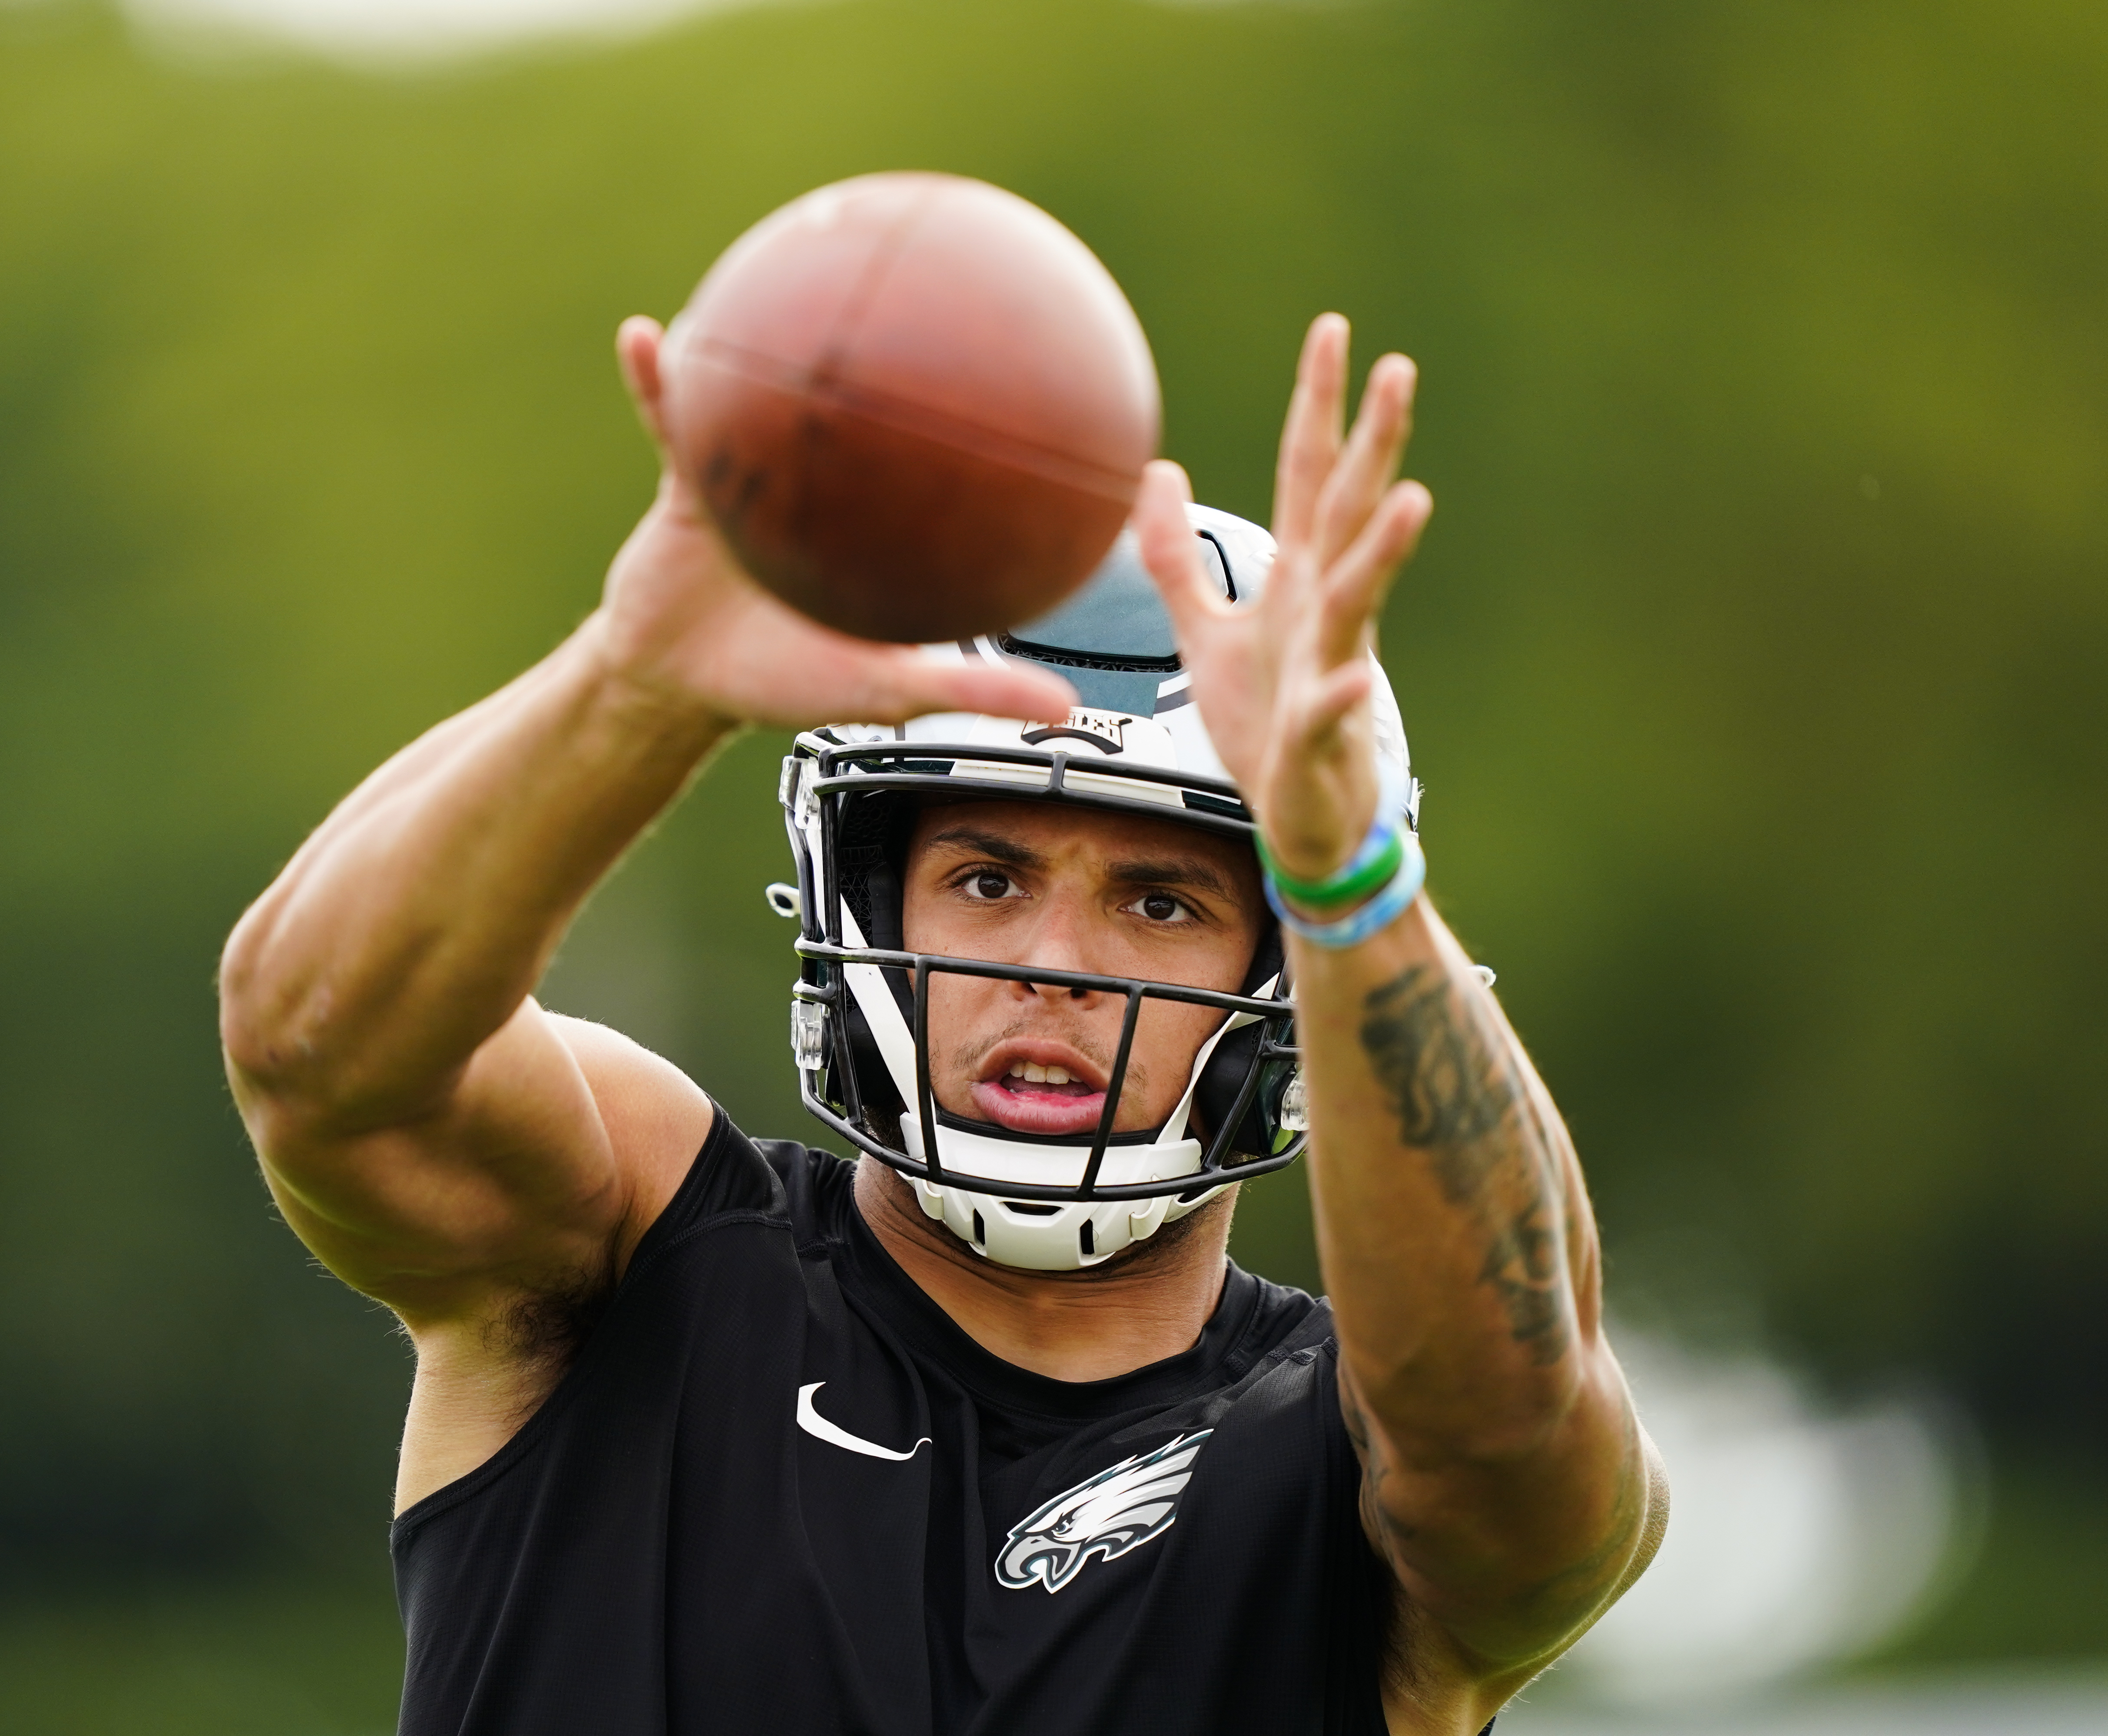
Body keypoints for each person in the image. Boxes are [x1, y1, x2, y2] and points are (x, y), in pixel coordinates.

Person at [217, 311, 1666, 1736]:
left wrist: (1357, 880)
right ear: (869, 897)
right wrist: (631, 684)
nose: (1055, 962)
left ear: (1289, 966)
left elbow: (1517, 1427)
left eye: (1161, 902)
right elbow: (322, 1057)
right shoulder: (635, 1252)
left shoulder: (1361, 1453)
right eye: (986, 878)